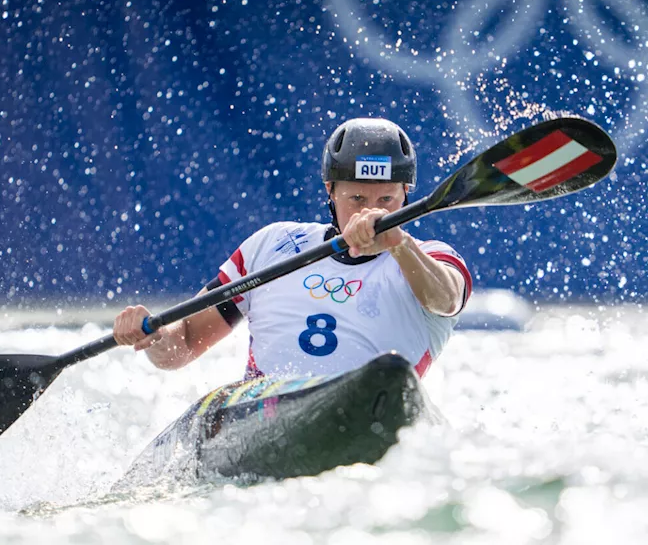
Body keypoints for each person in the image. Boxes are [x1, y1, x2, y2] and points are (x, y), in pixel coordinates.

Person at [112, 117, 472, 379]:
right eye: (357, 198)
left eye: (386, 199)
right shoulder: (274, 245)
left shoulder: (433, 258)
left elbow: (446, 300)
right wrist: (155, 337)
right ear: (330, 191)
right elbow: (184, 345)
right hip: (263, 410)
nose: (371, 211)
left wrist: (399, 245)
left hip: (374, 409)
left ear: (406, 194)